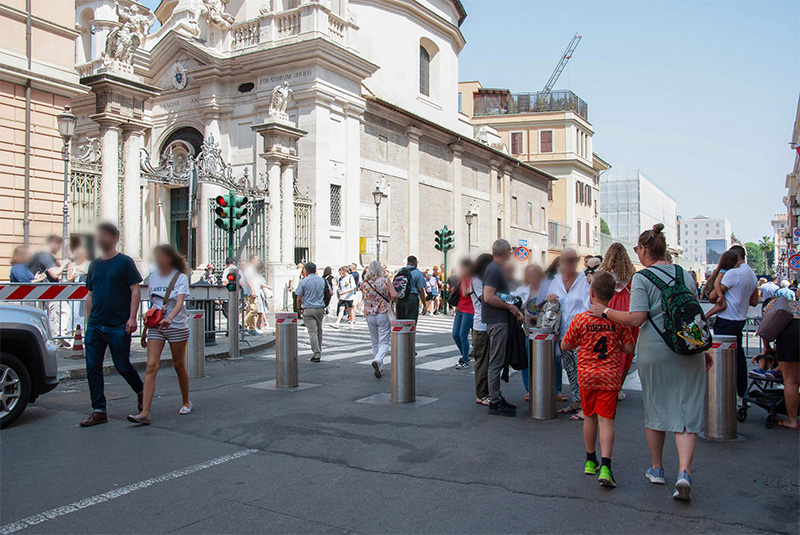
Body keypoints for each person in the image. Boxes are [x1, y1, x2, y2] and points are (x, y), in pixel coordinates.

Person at [589, 223, 710, 501]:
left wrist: (605, 312)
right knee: (687, 411)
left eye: (637, 248)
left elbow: (636, 318)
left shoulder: (643, 278)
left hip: (656, 351)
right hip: (689, 348)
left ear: (644, 249)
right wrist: (704, 348)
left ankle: (657, 469)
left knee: (656, 407)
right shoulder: (684, 274)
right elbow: (693, 313)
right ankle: (684, 472)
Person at [562, 271, 635, 488]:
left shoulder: (581, 319)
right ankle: (606, 466)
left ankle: (589, 460)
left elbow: (566, 344)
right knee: (606, 420)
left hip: (587, 375)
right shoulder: (618, 320)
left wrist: (582, 342)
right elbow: (629, 347)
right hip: (609, 376)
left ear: (591, 293)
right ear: (612, 295)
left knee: (589, 417)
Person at [79, 223, 145, 427]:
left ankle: (141, 391)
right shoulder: (94, 265)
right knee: (92, 367)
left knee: (122, 365)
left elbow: (135, 289)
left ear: (115, 238)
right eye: (99, 235)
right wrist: (88, 322)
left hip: (118, 324)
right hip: (96, 325)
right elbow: (90, 295)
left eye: (105, 235)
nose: (101, 239)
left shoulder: (125, 262)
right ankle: (99, 410)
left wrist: (132, 318)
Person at [127, 244, 192, 424]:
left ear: (170, 258)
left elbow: (179, 303)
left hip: (176, 325)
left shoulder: (180, 277)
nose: (157, 260)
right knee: (151, 366)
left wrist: (170, 318)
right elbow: (153, 305)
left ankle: (186, 401)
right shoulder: (153, 277)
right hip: (156, 326)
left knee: (178, 365)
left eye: (160, 256)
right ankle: (145, 413)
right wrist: (145, 330)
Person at [549, 248, 591, 421]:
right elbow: (549, 304)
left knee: (583, 370)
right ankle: (577, 401)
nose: (572, 263)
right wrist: (550, 297)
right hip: (564, 333)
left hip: (582, 333)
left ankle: (587, 407)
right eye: (568, 259)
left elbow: (591, 304)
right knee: (570, 369)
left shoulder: (585, 280)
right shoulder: (556, 281)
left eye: (575, 259)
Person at [714, 245, 758, 397]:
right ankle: (741, 393)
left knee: (722, 359)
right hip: (740, 319)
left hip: (726, 318)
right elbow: (754, 301)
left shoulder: (733, 273)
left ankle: (724, 394)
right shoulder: (752, 274)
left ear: (735, 257)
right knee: (739, 357)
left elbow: (713, 296)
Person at [482, 239, 518, 417]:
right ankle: (495, 400)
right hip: (497, 320)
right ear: (505, 251)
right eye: (510, 250)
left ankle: (496, 397)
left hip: (496, 320)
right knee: (496, 361)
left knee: (496, 360)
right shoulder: (495, 269)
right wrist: (510, 306)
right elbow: (488, 296)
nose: (511, 253)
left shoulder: (494, 268)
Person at [599, 242, 639, 401]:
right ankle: (618, 388)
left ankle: (607, 385)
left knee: (608, 350)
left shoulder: (603, 274)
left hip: (610, 308)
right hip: (628, 311)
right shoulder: (632, 275)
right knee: (626, 353)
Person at [760, 298, 800, 428]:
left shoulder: (771, 306)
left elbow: (765, 331)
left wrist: (767, 349)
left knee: (791, 381)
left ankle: (792, 420)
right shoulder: (794, 303)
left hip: (791, 337)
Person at [512, 263, 545, 400]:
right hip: (528, 330)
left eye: (534, 272)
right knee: (527, 359)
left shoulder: (546, 289)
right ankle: (529, 389)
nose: (532, 275)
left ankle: (553, 389)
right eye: (529, 273)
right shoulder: (522, 290)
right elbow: (513, 301)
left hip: (544, 330)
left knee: (547, 361)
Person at [360, 260, 397, 377]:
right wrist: (391, 301)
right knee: (384, 341)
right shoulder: (385, 281)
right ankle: (378, 359)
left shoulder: (365, 284)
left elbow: (362, 292)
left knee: (374, 342)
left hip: (369, 314)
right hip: (383, 312)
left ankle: (380, 367)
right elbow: (394, 295)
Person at [295, 262, 326, 362]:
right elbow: (328, 292)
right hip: (320, 308)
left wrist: (299, 307)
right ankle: (319, 350)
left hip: (308, 308)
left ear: (306, 271)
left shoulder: (304, 281)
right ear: (316, 270)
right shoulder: (322, 280)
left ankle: (316, 353)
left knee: (313, 332)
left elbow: (299, 297)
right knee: (319, 330)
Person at [451, 258, 475, 370]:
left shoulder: (472, 279)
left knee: (463, 335)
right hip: (460, 308)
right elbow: (460, 292)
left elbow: (466, 293)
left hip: (469, 310)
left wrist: (464, 279)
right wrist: (454, 290)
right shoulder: (462, 278)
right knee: (455, 335)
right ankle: (465, 356)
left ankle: (465, 359)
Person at [395, 256, 426, 322]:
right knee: (411, 321)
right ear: (415, 262)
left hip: (400, 298)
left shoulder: (400, 271)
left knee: (400, 321)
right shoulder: (418, 273)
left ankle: (402, 329)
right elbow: (421, 290)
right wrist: (424, 304)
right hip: (412, 298)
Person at [68, 245, 90, 331]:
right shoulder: (72, 265)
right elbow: (69, 280)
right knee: (75, 312)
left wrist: (83, 271)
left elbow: (89, 276)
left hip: (84, 291)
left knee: (83, 312)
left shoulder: (88, 264)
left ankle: (84, 329)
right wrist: (73, 277)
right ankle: (74, 330)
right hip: (75, 292)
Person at [242, 257, 259, 334]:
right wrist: (252, 290)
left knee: (252, 310)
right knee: (254, 310)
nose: (258, 262)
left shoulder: (252, 269)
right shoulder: (249, 269)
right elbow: (248, 279)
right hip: (250, 292)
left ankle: (252, 328)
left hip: (252, 292)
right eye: (257, 260)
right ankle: (244, 324)